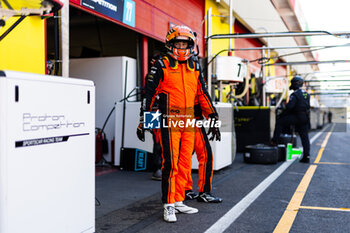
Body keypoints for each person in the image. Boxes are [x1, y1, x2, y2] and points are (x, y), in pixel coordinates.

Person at [136, 25, 220, 222]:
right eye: (178, 43)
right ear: (170, 44)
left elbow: (202, 94)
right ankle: (168, 205)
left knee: (184, 164)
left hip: (189, 122)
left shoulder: (195, 66)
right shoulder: (161, 65)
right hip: (169, 121)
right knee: (171, 164)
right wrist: (143, 120)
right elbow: (150, 94)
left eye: (185, 43)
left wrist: (213, 117)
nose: (181, 47)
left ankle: (179, 200)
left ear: (191, 45)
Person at [184, 103, 222, 203]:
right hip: (192, 121)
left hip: (178, 120)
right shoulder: (197, 86)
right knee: (205, 156)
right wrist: (212, 117)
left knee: (184, 157)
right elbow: (203, 97)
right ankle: (204, 192)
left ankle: (185, 190)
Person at [271, 76, 310, 163]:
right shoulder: (306, 94)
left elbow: (289, 107)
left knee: (280, 122)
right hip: (305, 118)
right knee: (305, 137)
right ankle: (306, 156)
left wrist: (282, 114)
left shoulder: (294, 94)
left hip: (296, 117)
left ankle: (275, 141)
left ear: (294, 84)